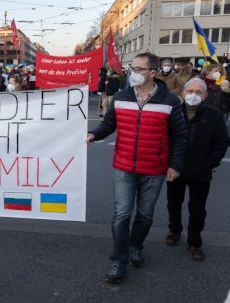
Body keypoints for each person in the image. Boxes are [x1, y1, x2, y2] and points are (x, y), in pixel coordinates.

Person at [86, 53, 186, 283]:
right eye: (132, 68)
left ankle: (136, 245)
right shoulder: (121, 96)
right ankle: (118, 260)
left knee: (145, 215)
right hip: (124, 165)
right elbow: (109, 123)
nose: (134, 73)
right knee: (121, 214)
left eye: (139, 69)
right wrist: (94, 133)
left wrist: (174, 165)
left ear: (153, 73)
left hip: (154, 168)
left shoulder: (169, 101)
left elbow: (179, 137)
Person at [165, 78, 229, 261]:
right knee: (173, 203)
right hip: (175, 168)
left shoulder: (214, 115)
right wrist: (168, 163)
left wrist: (209, 164)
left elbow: (222, 143)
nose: (193, 95)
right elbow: (165, 138)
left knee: (197, 209)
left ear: (205, 95)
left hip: (201, 171)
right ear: (183, 93)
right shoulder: (173, 113)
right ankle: (174, 231)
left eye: (198, 92)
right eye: (190, 91)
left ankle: (194, 243)